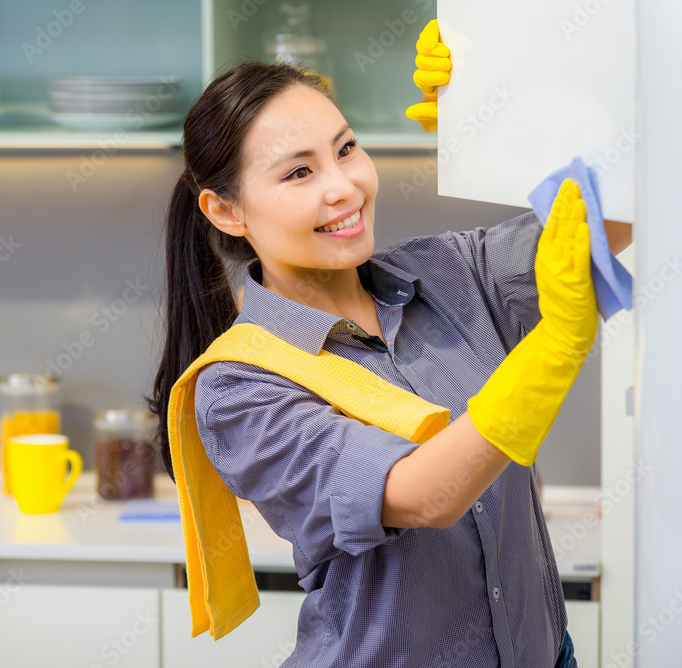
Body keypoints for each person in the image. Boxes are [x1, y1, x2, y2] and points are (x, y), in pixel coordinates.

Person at [146, 24, 630, 668]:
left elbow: (619, 213)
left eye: (347, 149)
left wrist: (506, 110)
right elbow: (422, 492)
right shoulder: (239, 388)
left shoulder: (453, 271)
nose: (343, 186)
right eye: (299, 172)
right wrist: (556, 349)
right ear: (227, 212)